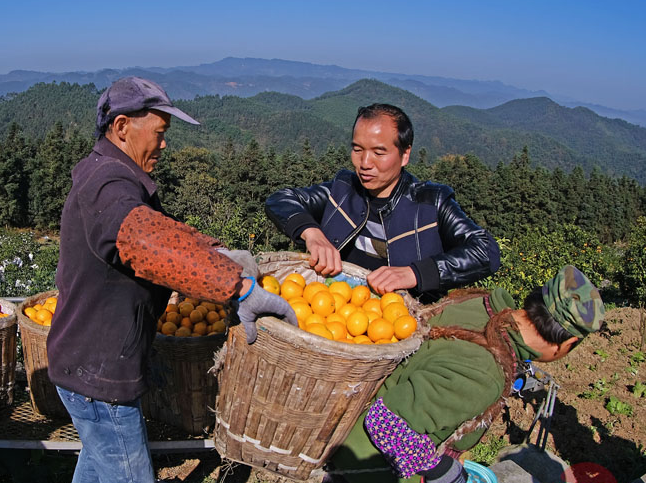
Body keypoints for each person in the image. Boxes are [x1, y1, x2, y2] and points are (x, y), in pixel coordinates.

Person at [46, 76, 296, 483]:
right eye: (159, 133)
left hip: (84, 363)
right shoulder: (108, 183)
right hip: (98, 373)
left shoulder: (110, 173)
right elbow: (143, 239)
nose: (165, 145)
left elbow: (156, 228)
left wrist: (212, 253)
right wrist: (237, 286)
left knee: (97, 466)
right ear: (122, 127)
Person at [325, 265, 605, 483]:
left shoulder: (481, 304)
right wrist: (446, 472)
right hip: (367, 466)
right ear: (566, 344)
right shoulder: (485, 372)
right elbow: (389, 426)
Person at [265, 103, 500, 302]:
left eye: (379, 153)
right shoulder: (343, 191)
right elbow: (280, 200)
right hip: (338, 309)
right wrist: (313, 234)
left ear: (405, 154)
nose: (365, 163)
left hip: (405, 321)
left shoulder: (431, 204)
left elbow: (485, 251)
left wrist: (415, 274)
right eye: (357, 149)